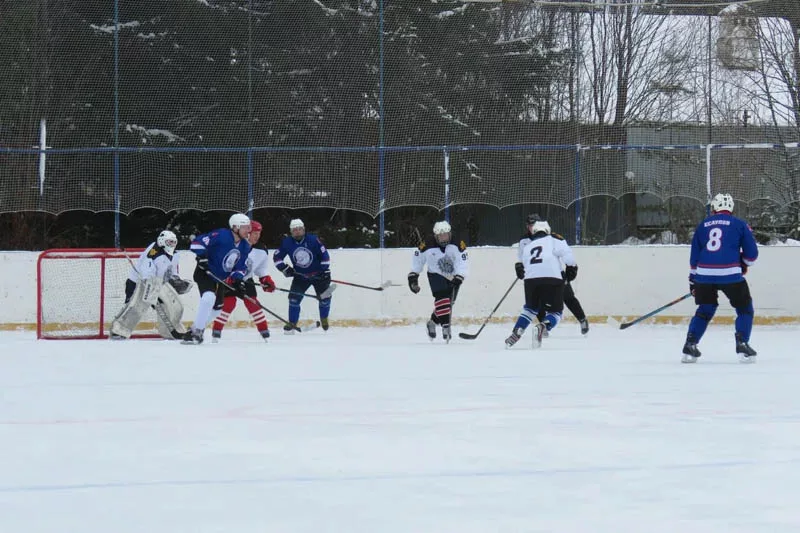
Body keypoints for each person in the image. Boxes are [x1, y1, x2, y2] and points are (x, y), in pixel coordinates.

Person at [682, 193, 758, 363]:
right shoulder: (739, 224)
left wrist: (693, 280)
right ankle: (742, 344)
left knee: (705, 309)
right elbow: (752, 255)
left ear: (714, 207)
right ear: (731, 208)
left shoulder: (703, 225)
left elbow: (694, 255)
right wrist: (743, 263)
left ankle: (690, 345)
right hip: (730, 274)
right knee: (745, 309)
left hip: (704, 275)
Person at [506, 214, 578, 349]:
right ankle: (543, 326)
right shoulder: (554, 239)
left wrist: (520, 269)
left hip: (531, 280)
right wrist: (571, 268)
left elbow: (523, 263)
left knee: (530, 309)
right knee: (556, 312)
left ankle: (517, 331)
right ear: (547, 230)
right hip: (552, 278)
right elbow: (568, 256)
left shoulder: (529, 245)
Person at [183, 213, 252, 345]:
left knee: (217, 309)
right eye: (245, 227)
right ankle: (197, 331)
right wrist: (202, 256)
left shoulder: (245, 246)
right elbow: (197, 243)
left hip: (220, 279)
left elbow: (240, 267)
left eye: (248, 227)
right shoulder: (221, 235)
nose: (248, 231)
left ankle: (192, 331)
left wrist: (238, 280)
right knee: (208, 297)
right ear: (235, 227)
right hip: (206, 273)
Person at [111, 230, 191, 340]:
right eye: (169, 242)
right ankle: (119, 331)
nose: (172, 245)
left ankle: (169, 332)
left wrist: (176, 280)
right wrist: (152, 292)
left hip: (158, 284)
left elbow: (172, 272)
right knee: (137, 307)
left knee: (168, 305)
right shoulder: (154, 252)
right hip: (138, 283)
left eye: (173, 242)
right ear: (162, 241)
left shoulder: (175, 255)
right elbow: (146, 274)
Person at [211, 221, 276, 342]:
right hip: (229, 280)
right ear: (246, 233)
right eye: (254, 233)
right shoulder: (234, 245)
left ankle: (265, 333)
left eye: (259, 233)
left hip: (246, 280)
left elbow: (261, 269)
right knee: (228, 304)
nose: (257, 236)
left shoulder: (261, 250)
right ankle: (216, 332)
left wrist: (265, 280)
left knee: (253, 303)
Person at [407, 221, 468, 343]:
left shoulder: (458, 243)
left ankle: (432, 322)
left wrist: (460, 276)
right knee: (442, 298)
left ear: (450, 234)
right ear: (435, 236)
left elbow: (463, 261)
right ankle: (446, 326)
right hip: (435, 274)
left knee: (448, 304)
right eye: (440, 236)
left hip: (452, 276)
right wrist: (413, 276)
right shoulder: (427, 244)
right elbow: (418, 258)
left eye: (445, 235)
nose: (443, 238)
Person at [272, 219, 332, 333]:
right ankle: (292, 323)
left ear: (304, 229)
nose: (297, 232)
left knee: (325, 299)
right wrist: (284, 269)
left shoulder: (314, 240)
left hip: (318, 275)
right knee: (293, 300)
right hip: (300, 277)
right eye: (295, 230)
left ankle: (324, 319)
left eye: (300, 229)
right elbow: (277, 258)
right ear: (291, 232)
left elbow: (325, 257)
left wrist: (323, 272)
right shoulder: (287, 242)